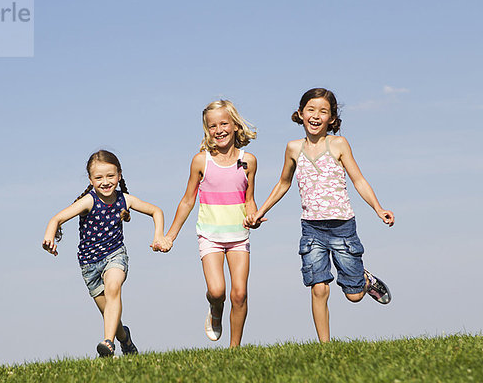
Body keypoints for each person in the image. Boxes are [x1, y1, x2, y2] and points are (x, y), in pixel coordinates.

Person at [245, 88, 394, 342]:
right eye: (311, 110)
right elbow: (283, 183)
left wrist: (378, 208)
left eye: (323, 111)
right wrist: (260, 212)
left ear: (332, 118)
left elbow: (358, 180)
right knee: (318, 287)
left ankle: (364, 280)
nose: (316, 116)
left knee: (354, 296)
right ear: (301, 113)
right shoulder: (293, 148)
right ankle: (325, 346)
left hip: (343, 227)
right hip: (312, 229)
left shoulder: (338, 144)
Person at [42, 150, 171, 357]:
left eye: (110, 176)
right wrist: (49, 238)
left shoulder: (124, 199)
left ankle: (108, 343)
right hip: (89, 265)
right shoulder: (88, 201)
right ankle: (124, 338)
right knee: (111, 313)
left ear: (119, 175)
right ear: (91, 180)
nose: (105, 182)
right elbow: (56, 219)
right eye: (99, 177)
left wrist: (158, 236)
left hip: (115, 255)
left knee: (113, 289)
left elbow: (156, 211)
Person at [161, 100, 257, 347]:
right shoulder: (200, 161)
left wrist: (254, 216)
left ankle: (235, 349)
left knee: (240, 294)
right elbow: (187, 201)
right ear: (207, 130)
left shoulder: (249, 161)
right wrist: (170, 236)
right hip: (210, 235)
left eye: (224, 123)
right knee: (217, 291)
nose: (219, 130)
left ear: (235, 125)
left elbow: (249, 200)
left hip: (239, 235)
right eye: (212, 126)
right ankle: (215, 309)